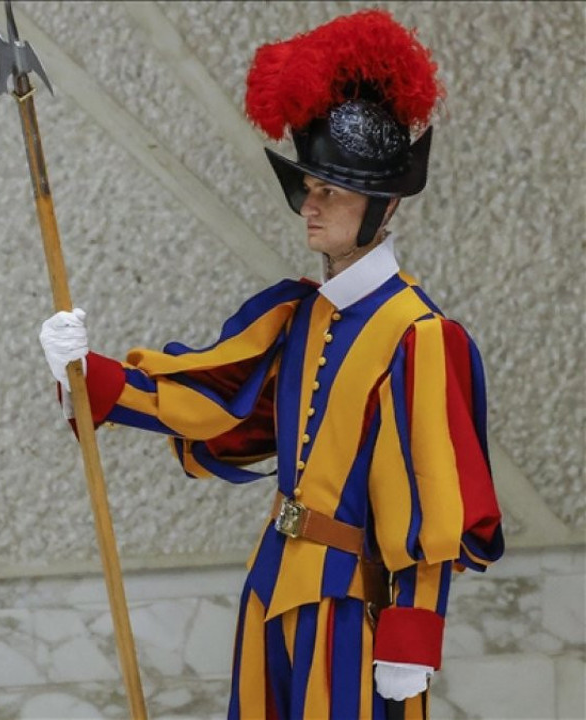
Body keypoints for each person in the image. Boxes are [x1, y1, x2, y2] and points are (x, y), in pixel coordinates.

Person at [38, 10, 504, 719]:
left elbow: (433, 504)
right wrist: (84, 372)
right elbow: (216, 404)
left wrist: (414, 635)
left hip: (354, 607)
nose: (310, 209)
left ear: (381, 206)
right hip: (275, 580)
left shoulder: (420, 337)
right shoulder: (301, 316)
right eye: (307, 190)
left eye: (331, 193)